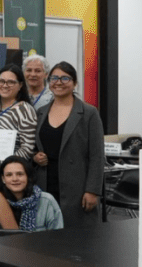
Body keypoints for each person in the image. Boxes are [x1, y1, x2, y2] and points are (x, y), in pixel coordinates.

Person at [33, 62, 104, 228]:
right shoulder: (41, 112)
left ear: (74, 83)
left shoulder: (89, 113)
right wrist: (35, 156)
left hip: (77, 186)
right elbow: (34, 146)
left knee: (77, 238)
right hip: (46, 182)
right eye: (54, 78)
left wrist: (92, 190)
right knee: (47, 236)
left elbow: (97, 155)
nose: (59, 82)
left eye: (65, 78)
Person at [0, 64, 37, 168]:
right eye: (1, 81)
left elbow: (27, 149)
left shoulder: (25, 110)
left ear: (20, 85)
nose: (5, 85)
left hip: (9, 174)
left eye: (11, 82)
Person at [0, 157, 63, 231]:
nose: (15, 179)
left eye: (20, 174)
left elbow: (57, 236)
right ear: (3, 179)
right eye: (9, 175)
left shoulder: (47, 201)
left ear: (28, 176)